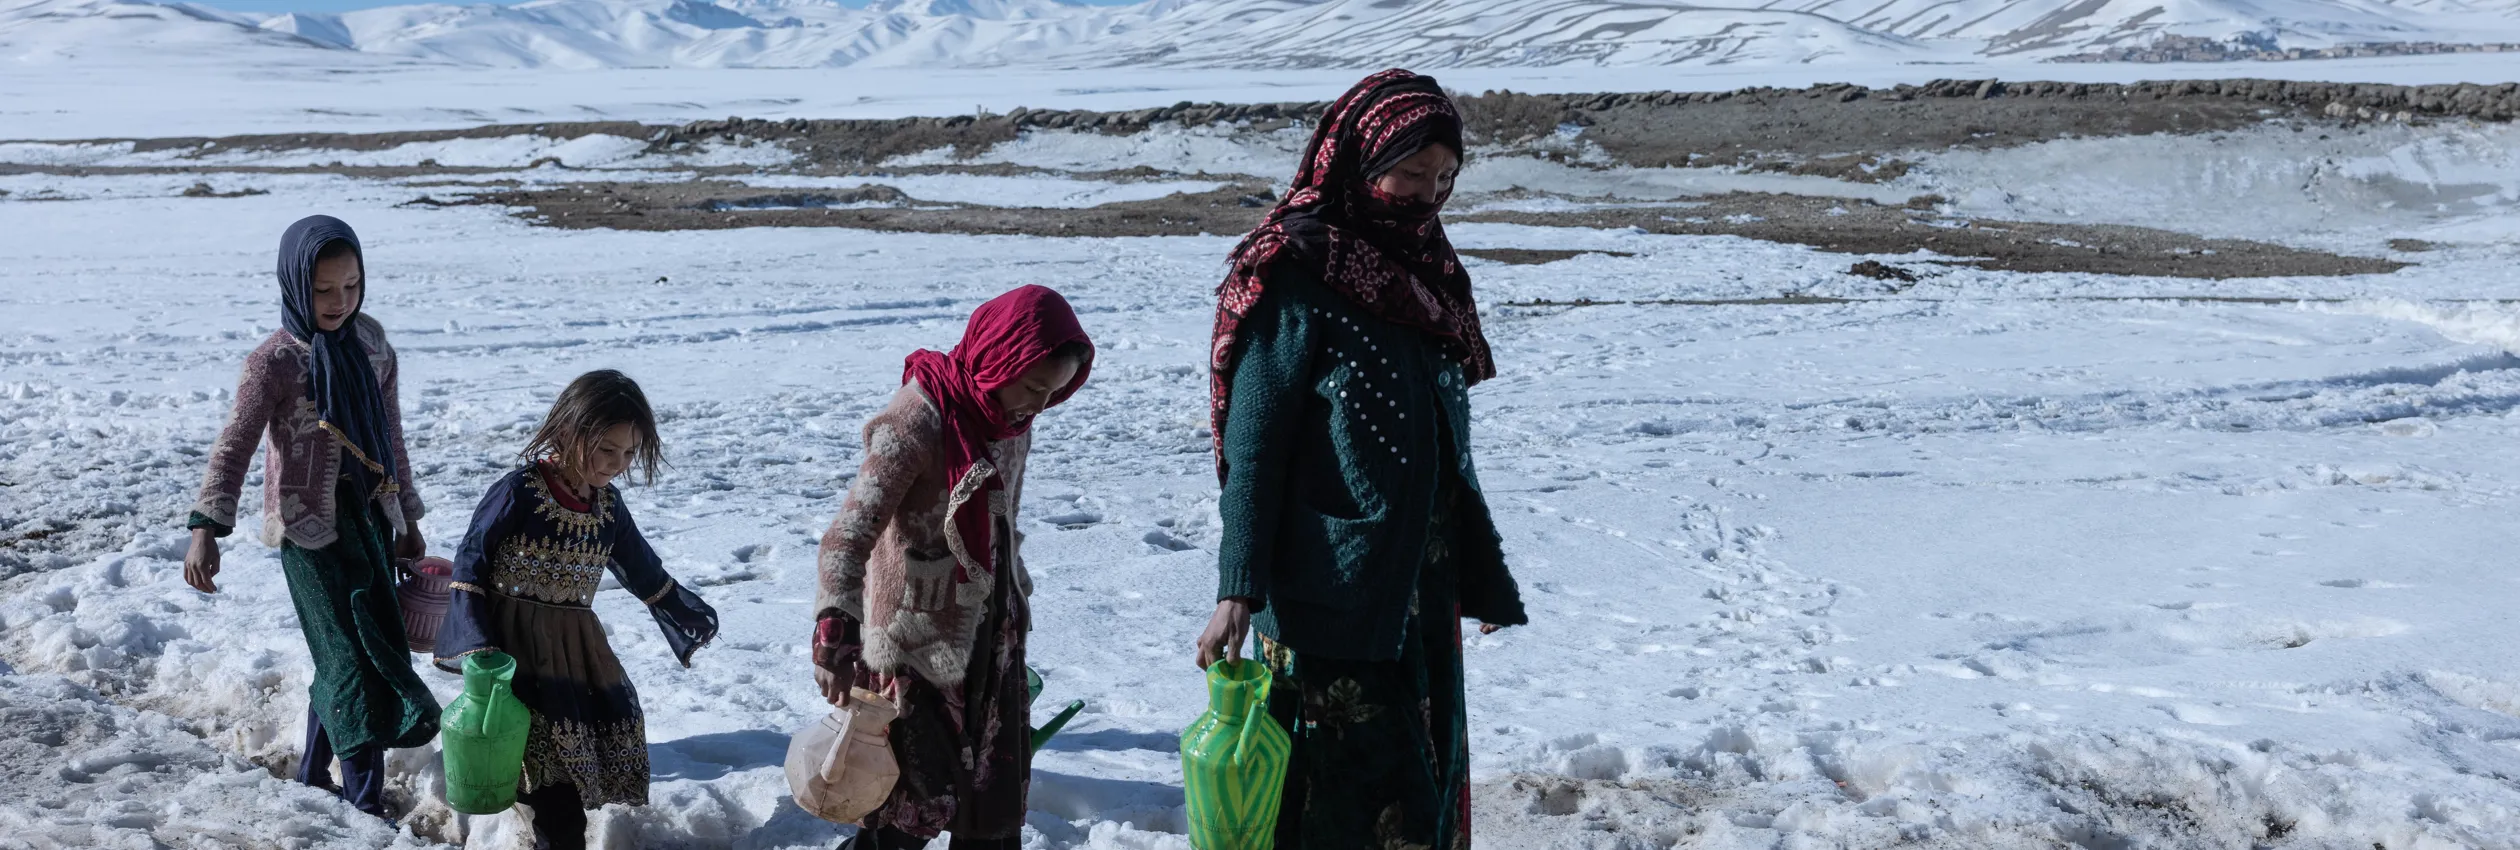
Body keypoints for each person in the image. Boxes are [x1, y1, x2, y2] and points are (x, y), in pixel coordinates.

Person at [1193, 69, 1530, 850]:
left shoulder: (1427, 270)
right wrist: (1237, 587)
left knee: (1424, 781)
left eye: (1445, 177)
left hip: (1421, 586)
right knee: (1349, 801)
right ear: (1359, 161)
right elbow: (1256, 447)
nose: (1428, 194)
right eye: (1410, 173)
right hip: (1329, 591)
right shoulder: (1296, 271)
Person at [809, 285, 1094, 850]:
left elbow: (1001, 528)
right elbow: (845, 540)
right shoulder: (916, 420)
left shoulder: (1010, 422)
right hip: (914, 654)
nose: (1037, 406)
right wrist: (834, 637)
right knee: (903, 823)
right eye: (1033, 387)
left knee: (991, 822)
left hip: (990, 645)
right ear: (1000, 357)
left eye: (1053, 394)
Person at [183, 215, 439, 821]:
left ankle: (311, 774)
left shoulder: (374, 346)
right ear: (296, 284)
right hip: (309, 531)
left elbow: (391, 437)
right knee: (352, 661)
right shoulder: (273, 361)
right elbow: (235, 443)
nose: (338, 301)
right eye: (324, 290)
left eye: (350, 286)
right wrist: (205, 529)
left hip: (370, 522)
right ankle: (363, 802)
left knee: (360, 649)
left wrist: (406, 517)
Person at [432, 369, 718, 850]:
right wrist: (476, 644)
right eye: (607, 449)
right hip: (514, 658)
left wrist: (687, 613)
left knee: (566, 777)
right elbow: (470, 566)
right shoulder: (519, 491)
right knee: (554, 792)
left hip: (574, 659)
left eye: (628, 453)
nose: (618, 464)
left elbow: (643, 570)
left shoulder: (608, 506)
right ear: (569, 431)